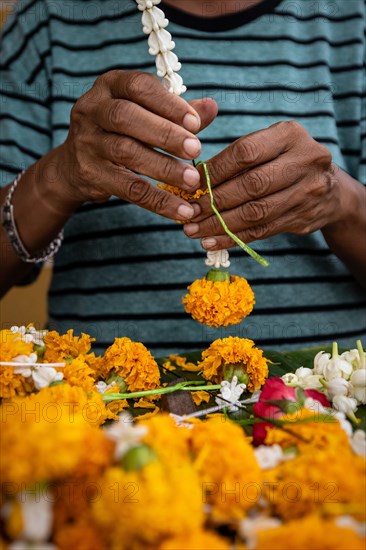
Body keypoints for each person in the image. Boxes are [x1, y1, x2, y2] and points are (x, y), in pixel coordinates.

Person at [1, 0, 365, 355]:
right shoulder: (49, 18)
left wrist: (342, 203)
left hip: (328, 404)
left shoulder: (353, 16)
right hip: (102, 408)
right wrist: (60, 178)